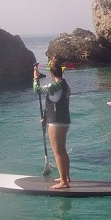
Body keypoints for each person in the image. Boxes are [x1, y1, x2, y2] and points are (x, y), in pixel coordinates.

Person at [34, 57, 71, 189]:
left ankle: (64, 182)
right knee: (63, 150)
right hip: (64, 121)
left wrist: (35, 78)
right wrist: (45, 116)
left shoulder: (55, 86)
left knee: (57, 152)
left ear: (51, 73)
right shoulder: (65, 84)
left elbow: (37, 90)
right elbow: (56, 102)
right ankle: (65, 177)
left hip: (56, 122)